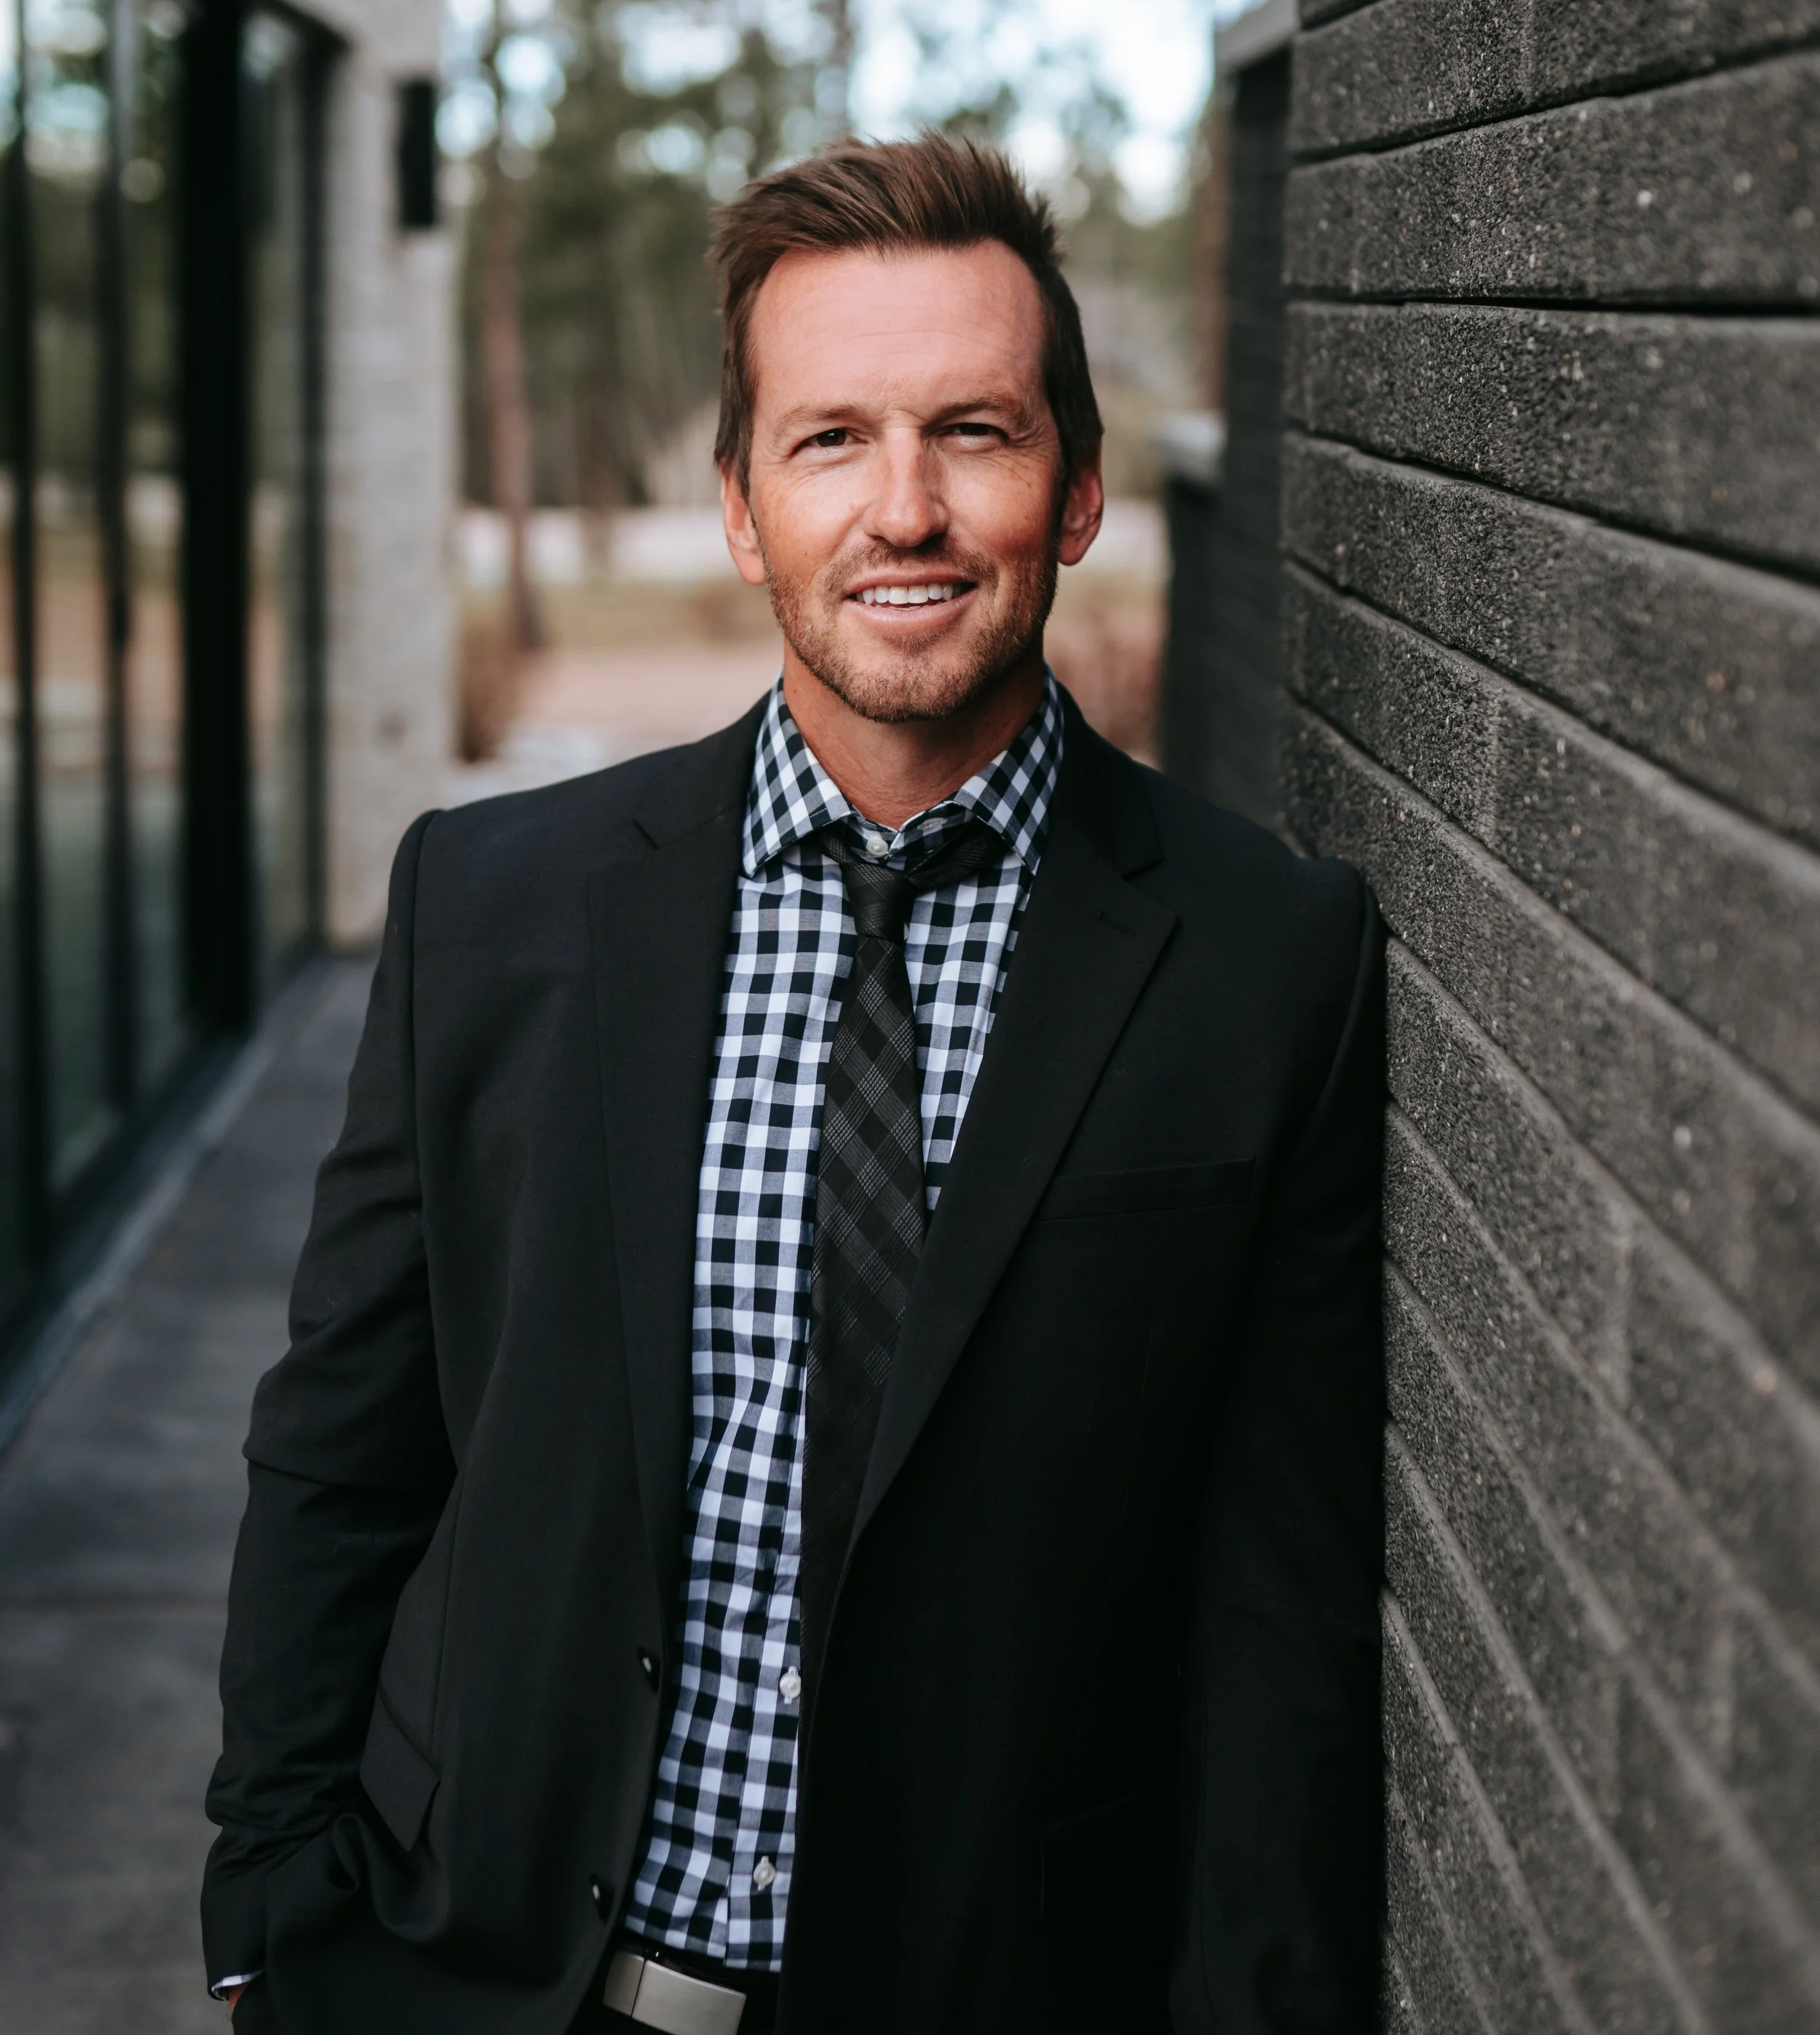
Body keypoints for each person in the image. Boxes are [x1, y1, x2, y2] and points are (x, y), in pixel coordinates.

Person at [204, 133, 1385, 2035]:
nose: (901, 507)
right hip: (469, 1968)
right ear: (744, 504)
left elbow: (1281, 1600)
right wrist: (272, 1906)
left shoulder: (1267, 961)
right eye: (829, 438)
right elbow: (343, 1447)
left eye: (974, 432)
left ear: (1074, 490)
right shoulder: (492, 907)